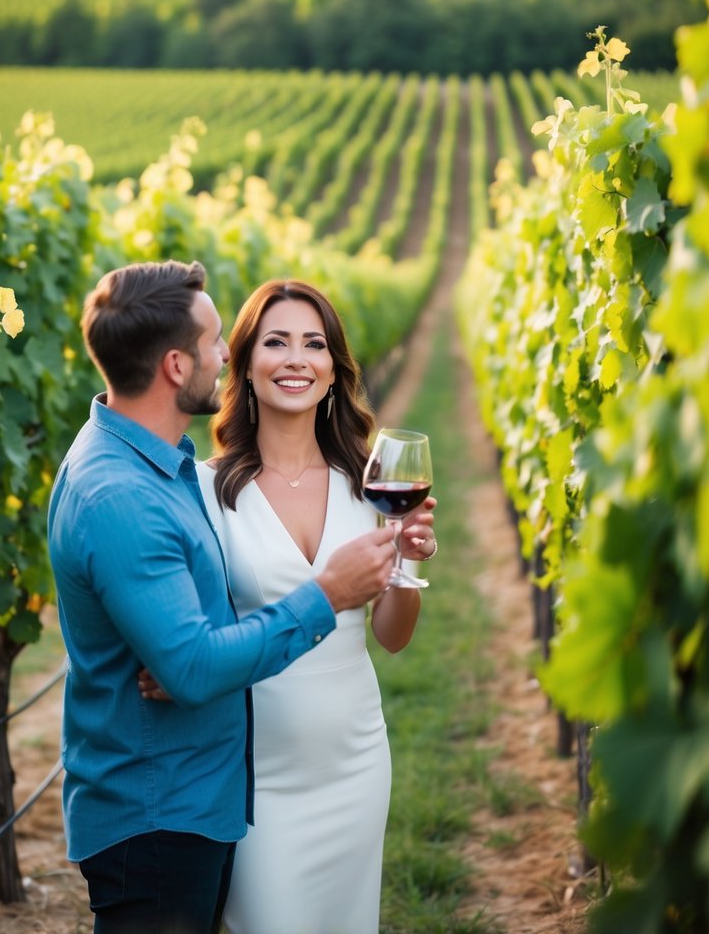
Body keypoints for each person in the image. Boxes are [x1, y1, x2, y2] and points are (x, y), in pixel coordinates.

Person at [47, 260, 398, 934]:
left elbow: (194, 644)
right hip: (162, 805)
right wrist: (318, 597)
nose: (224, 357)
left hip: (216, 791)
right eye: (217, 344)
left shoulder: (163, 469)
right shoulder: (129, 490)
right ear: (177, 366)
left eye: (313, 343)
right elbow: (196, 663)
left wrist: (192, 656)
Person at [143, 278, 437, 934]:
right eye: (275, 342)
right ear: (244, 367)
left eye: (313, 344)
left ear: (334, 372)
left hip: (357, 761)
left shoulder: (370, 488)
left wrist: (409, 558)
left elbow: (391, 638)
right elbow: (187, 636)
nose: (296, 359)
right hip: (256, 778)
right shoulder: (204, 492)